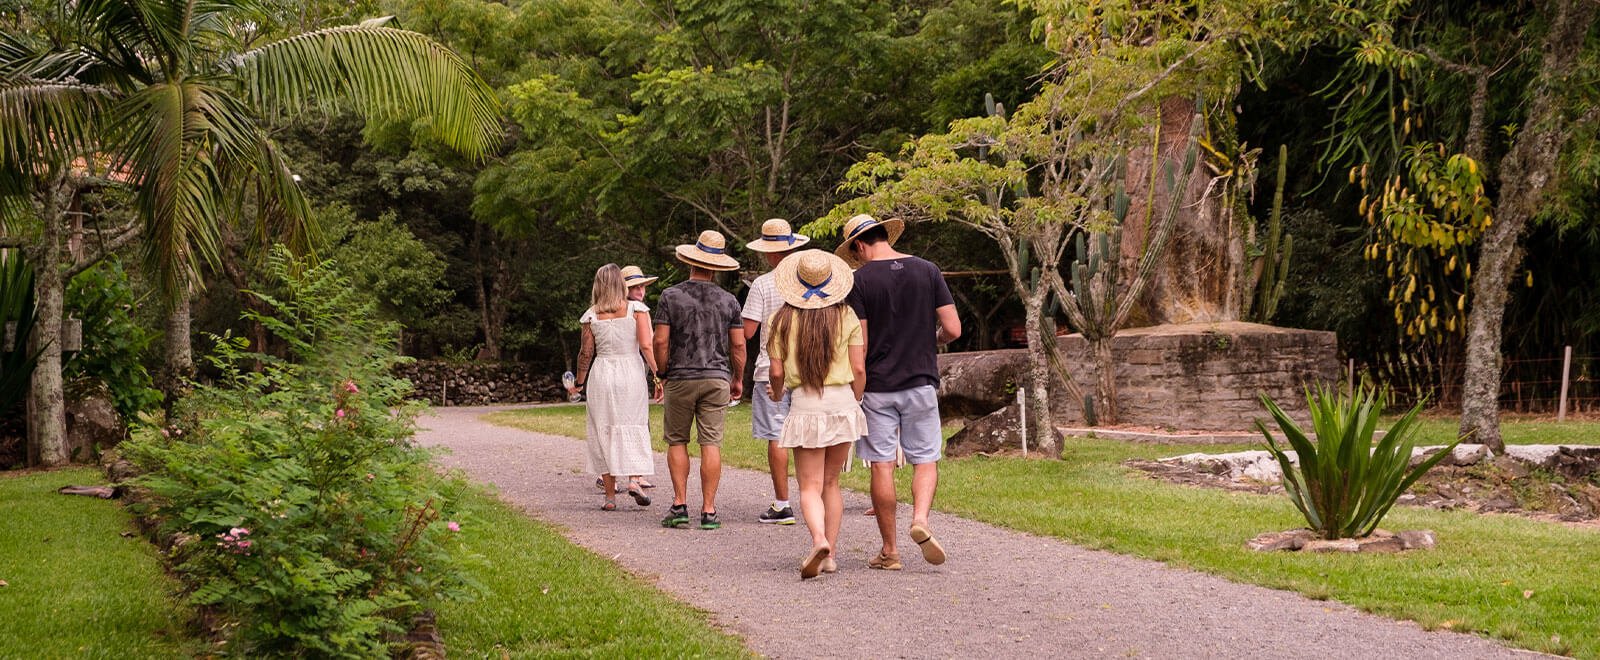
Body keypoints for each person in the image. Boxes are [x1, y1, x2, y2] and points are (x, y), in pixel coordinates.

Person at [837, 213, 962, 570]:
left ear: (859, 245)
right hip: (921, 381)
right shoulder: (927, 269)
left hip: (878, 387)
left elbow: (859, 343)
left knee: (881, 464)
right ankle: (920, 519)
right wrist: (932, 339)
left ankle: (890, 550)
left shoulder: (858, 282)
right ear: (883, 236)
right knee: (925, 459)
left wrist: (855, 389)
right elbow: (953, 328)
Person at [766, 250, 866, 579]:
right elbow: (858, 367)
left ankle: (818, 539)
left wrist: (778, 394)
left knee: (809, 486)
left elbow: (777, 374)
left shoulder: (780, 320)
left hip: (805, 404)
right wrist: (856, 397)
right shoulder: (847, 315)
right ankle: (831, 555)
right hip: (842, 403)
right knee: (832, 483)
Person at [654, 230, 746, 530]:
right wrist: (737, 378)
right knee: (711, 442)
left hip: (680, 376)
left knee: (677, 440)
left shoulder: (671, 296)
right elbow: (739, 345)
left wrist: (662, 371)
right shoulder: (729, 300)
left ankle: (680, 505)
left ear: (691, 261)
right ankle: (709, 510)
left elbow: (660, 340)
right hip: (717, 376)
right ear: (717, 266)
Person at [567, 264, 661, 511]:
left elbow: (585, 353)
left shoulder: (590, 315)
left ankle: (610, 497)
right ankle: (633, 480)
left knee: (604, 429)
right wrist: (658, 375)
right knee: (633, 423)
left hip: (601, 374)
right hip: (630, 372)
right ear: (622, 284)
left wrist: (578, 383)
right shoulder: (637, 309)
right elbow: (646, 346)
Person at [742, 219, 810, 525]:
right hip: (808, 368)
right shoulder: (810, 282)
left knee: (777, 435)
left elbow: (748, 330)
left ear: (770, 254)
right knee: (806, 436)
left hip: (771, 367)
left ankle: (783, 503)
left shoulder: (763, 284)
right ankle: (812, 495)